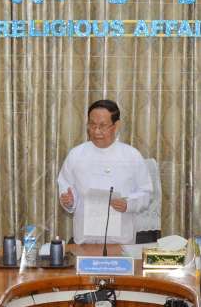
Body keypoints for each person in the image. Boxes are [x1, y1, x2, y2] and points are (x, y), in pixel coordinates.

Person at [55, 99, 155, 243]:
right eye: (92, 125)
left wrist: (128, 204)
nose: (96, 131)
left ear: (116, 125)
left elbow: (146, 192)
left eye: (102, 126)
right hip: (85, 240)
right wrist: (69, 201)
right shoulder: (76, 155)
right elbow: (66, 189)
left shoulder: (131, 155)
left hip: (121, 241)